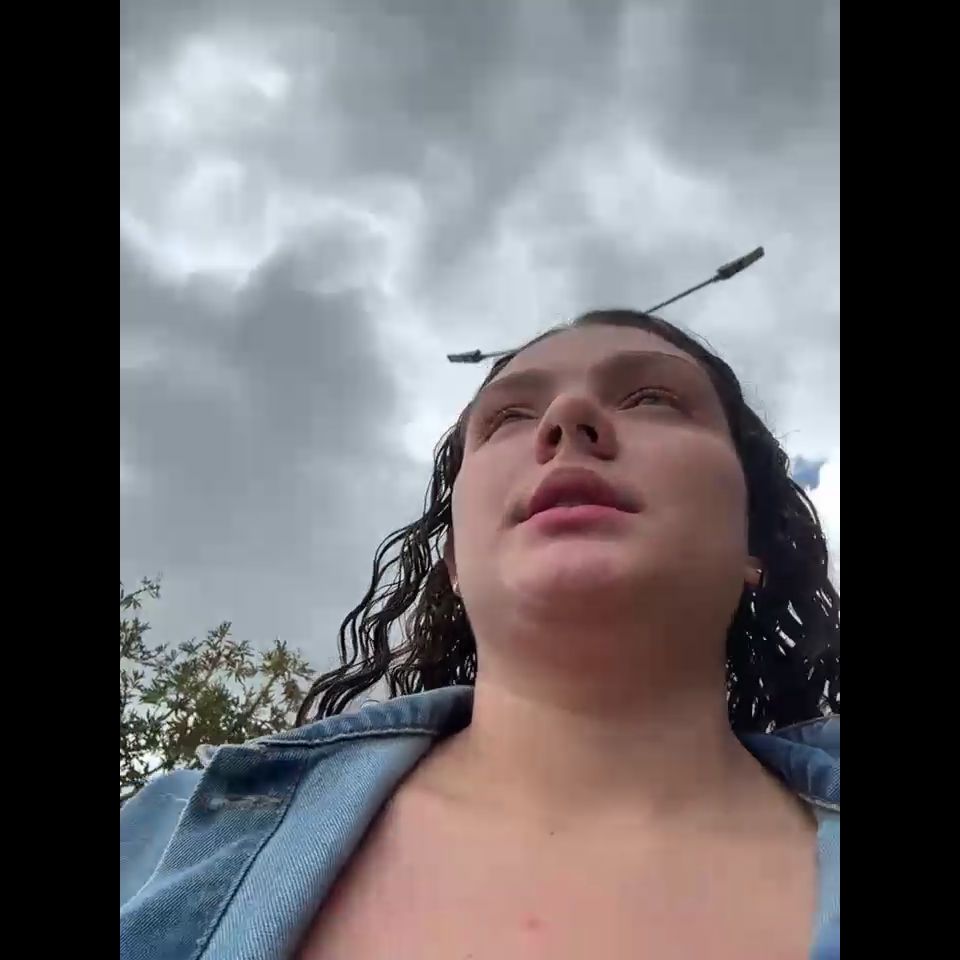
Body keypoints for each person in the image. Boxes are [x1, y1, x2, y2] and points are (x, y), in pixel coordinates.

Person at [120, 309, 840, 960]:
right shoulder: (158, 838)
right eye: (508, 418)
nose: (568, 417)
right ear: (456, 563)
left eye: (653, 398)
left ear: (753, 538)